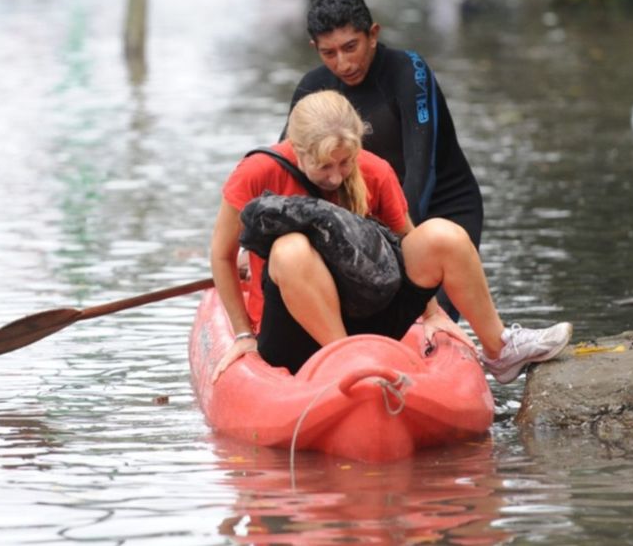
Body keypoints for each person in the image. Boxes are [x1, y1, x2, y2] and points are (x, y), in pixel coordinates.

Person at [210, 90, 570, 384]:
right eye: (324, 166)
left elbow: (409, 245)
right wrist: (243, 334)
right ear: (297, 149)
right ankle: (348, 359)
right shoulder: (257, 171)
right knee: (291, 249)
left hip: (369, 314)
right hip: (291, 330)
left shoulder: (375, 171)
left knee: (443, 235)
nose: (336, 177)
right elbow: (222, 255)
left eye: (345, 162)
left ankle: (500, 348)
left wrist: (433, 314)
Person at [283, 0, 483, 320]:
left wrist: (395, 247)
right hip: (369, 218)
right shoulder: (312, 87)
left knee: (432, 315)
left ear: (373, 34)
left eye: (351, 47)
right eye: (329, 53)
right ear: (314, 48)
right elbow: (285, 167)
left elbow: (422, 168)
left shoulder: (408, 72)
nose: (343, 64)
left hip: (442, 208)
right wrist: (256, 244)